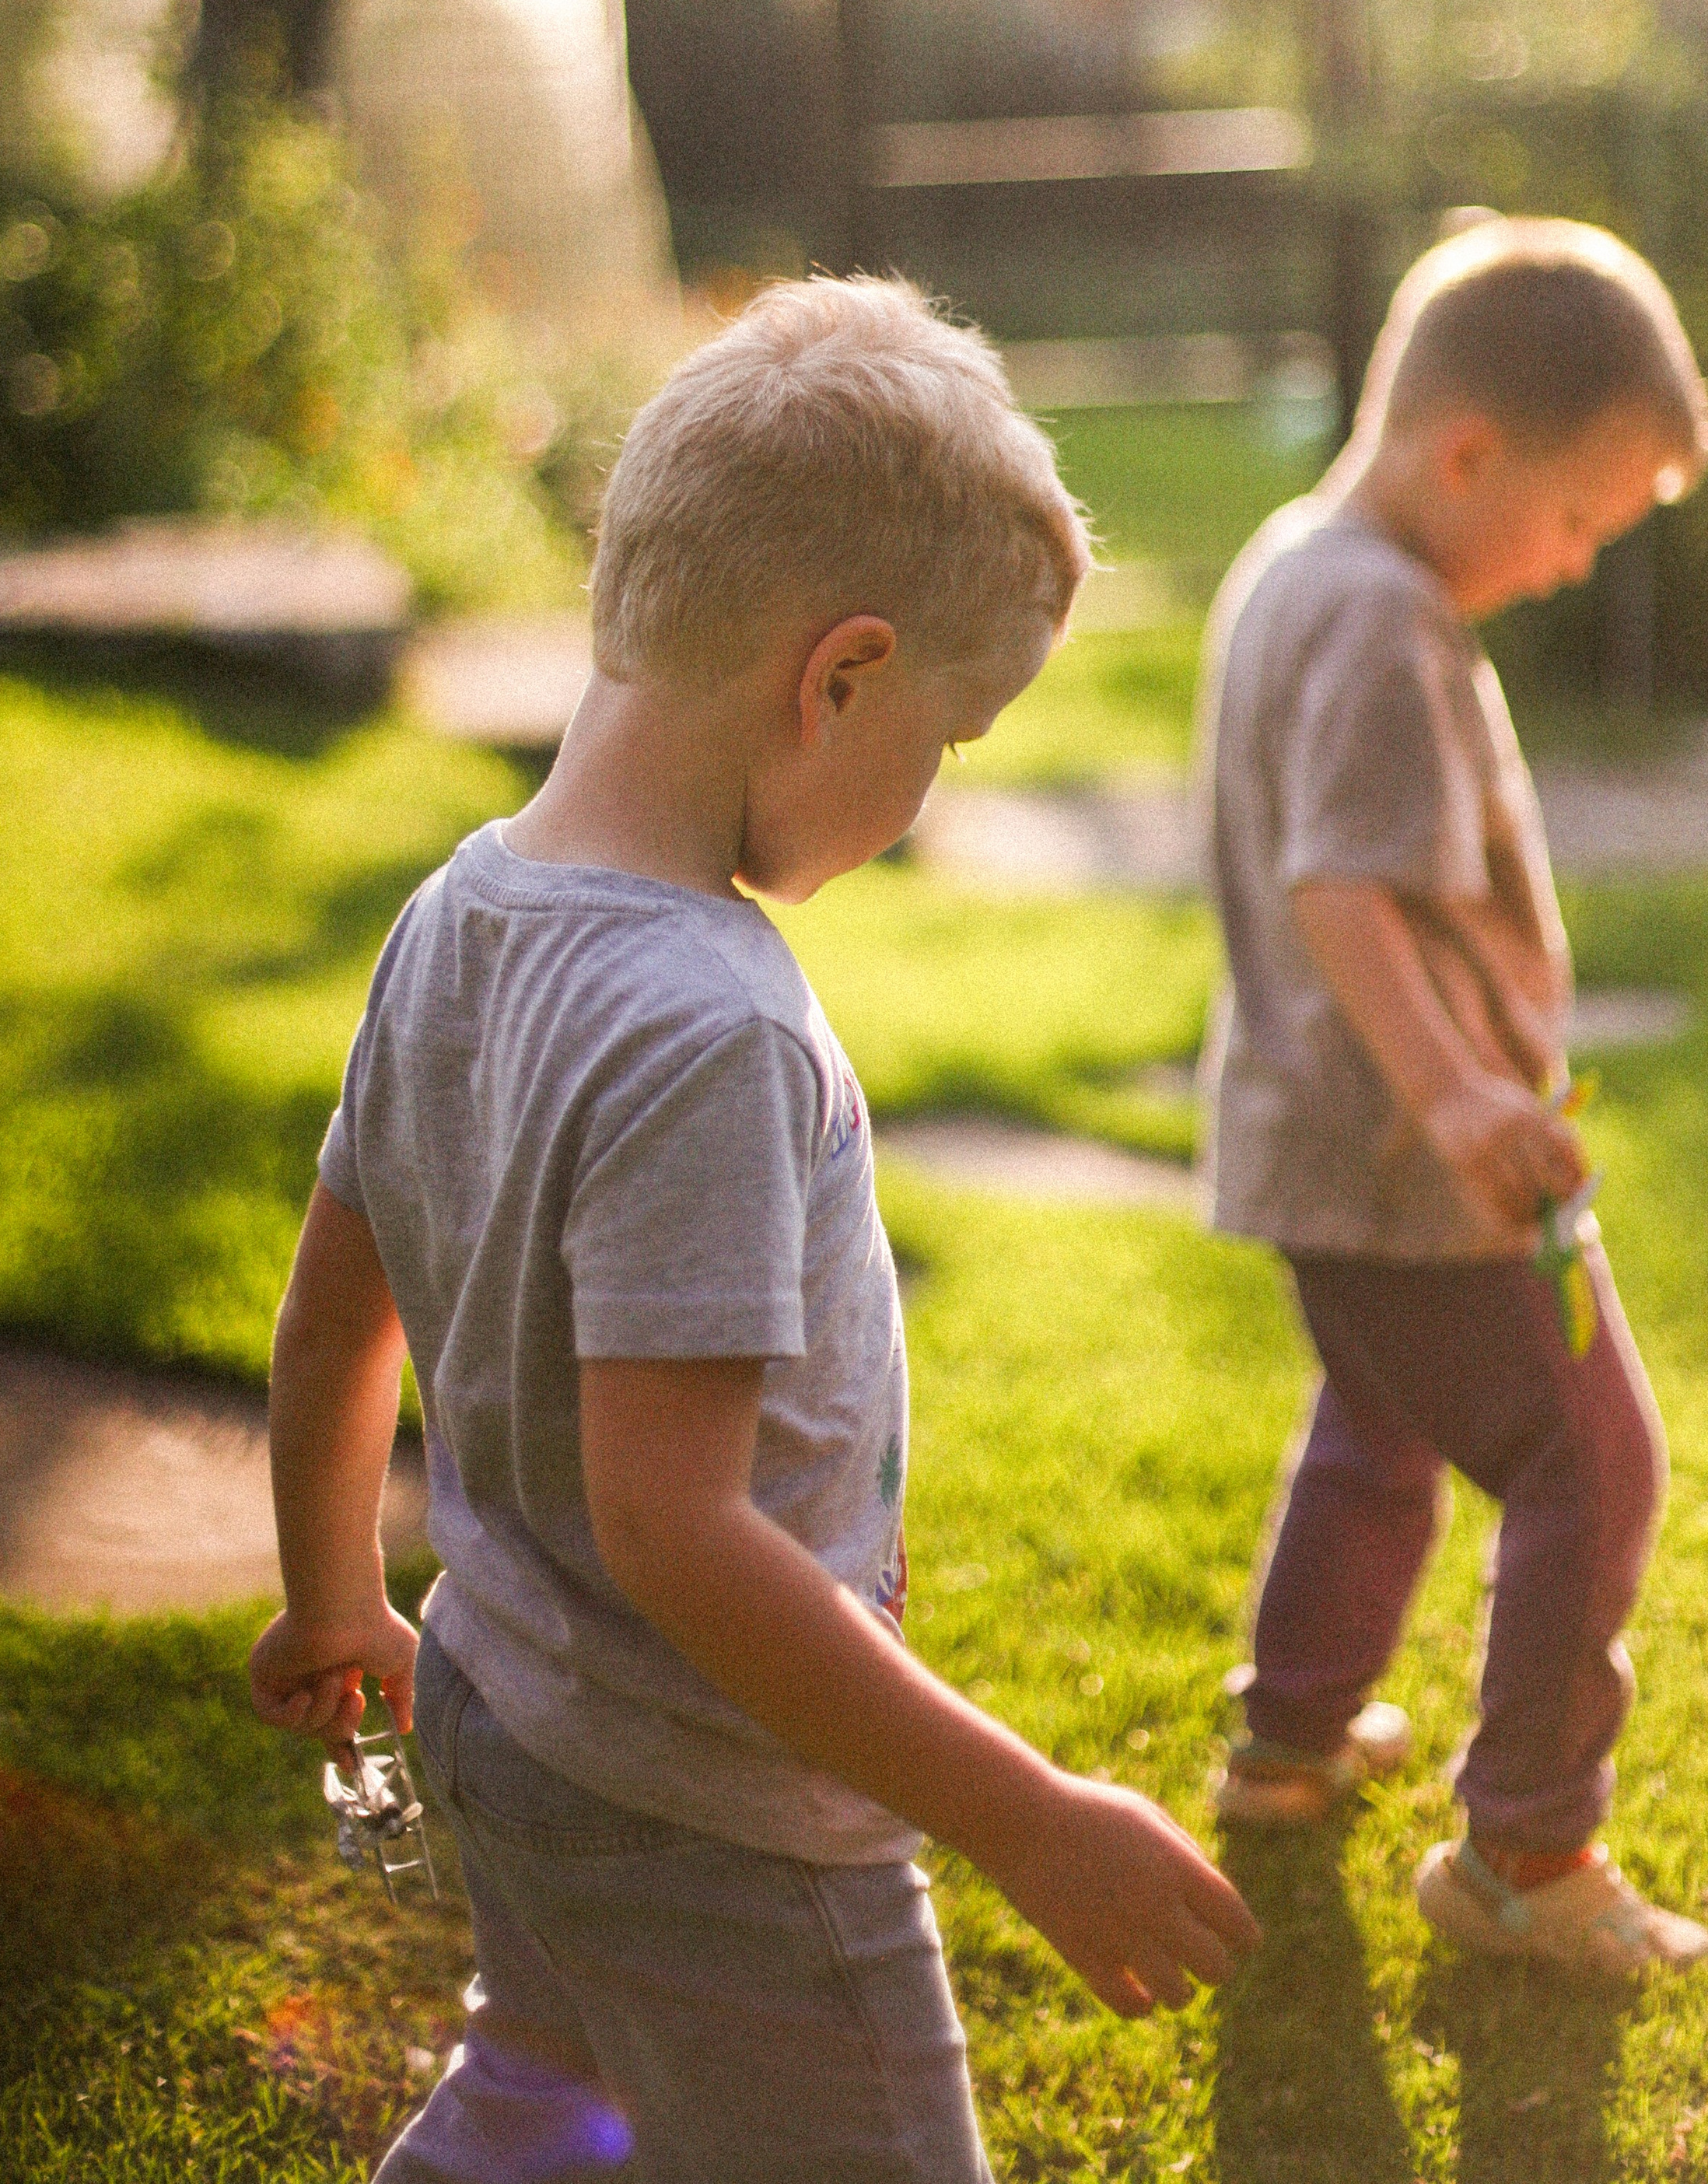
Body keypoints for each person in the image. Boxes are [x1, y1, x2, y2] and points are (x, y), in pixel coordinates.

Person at [249, 275, 1260, 2184]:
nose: (924, 791)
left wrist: (330, 1595)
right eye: (946, 742)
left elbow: (329, 1322)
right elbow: (677, 1530)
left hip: (496, 1709)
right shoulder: (709, 1024)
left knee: (544, 2074)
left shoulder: (455, 916)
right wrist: (1024, 1817)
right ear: (839, 677)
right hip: (706, 1801)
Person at [1198, 215, 1708, 1979]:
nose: (1573, 567)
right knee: (1593, 1462)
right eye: (1577, 520)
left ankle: (1286, 1744)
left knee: (1380, 1430)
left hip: (1310, 1157)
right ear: (1469, 452)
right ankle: (1525, 1852)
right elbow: (1341, 889)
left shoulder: (1289, 562)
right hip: (1417, 1167)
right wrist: (1456, 1104)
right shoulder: (1383, 621)